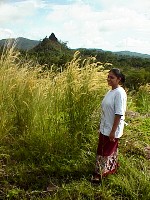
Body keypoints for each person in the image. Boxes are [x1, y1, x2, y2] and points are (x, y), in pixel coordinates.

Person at [91, 68, 127, 183]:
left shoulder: (119, 93)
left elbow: (119, 113)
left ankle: (99, 174)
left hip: (112, 128)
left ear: (119, 79)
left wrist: (113, 131)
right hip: (105, 126)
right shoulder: (111, 91)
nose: (109, 79)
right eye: (108, 76)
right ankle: (111, 168)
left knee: (105, 151)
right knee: (105, 149)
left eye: (112, 77)